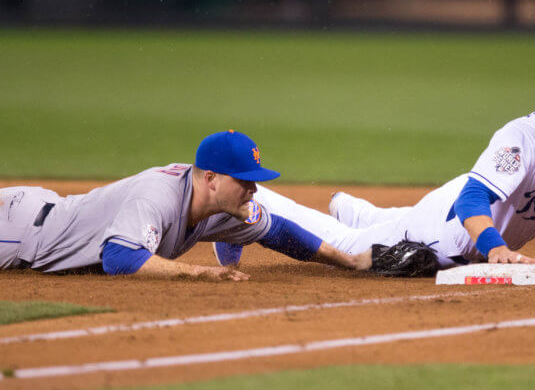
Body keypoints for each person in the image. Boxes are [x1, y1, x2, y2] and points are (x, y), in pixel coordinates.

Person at [228, 55, 535, 280]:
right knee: (354, 248)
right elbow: (473, 199)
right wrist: (494, 249)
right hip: (452, 230)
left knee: (397, 220)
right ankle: (254, 200)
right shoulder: (524, 138)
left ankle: (358, 209)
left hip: (460, 208)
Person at [0, 130, 371, 281]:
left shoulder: (220, 206)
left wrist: (349, 260)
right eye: (243, 180)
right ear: (211, 178)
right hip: (20, 232)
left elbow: (279, 232)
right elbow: (119, 257)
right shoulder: (157, 195)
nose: (253, 189)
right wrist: (201, 273)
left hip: (43, 209)